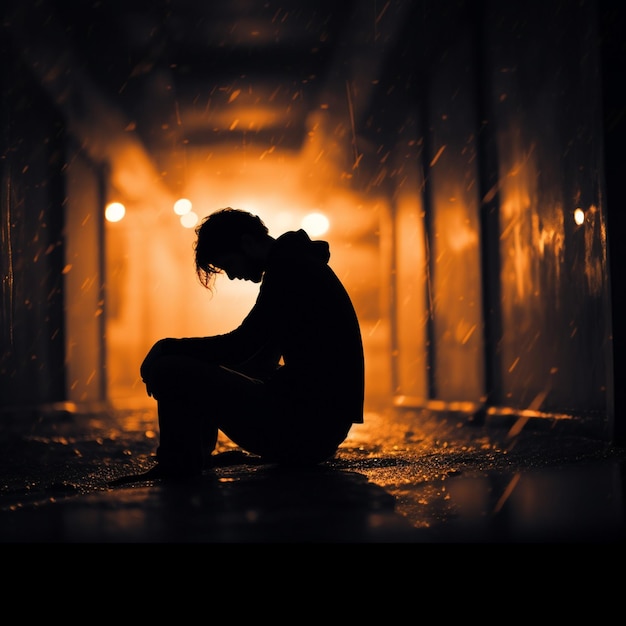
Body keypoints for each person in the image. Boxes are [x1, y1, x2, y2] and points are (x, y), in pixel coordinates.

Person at [135, 207, 365, 480]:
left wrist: (167, 347)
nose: (233, 276)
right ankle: (192, 458)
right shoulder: (296, 264)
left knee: (170, 368)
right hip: (319, 431)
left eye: (229, 264)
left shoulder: (288, 270)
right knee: (196, 365)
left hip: (305, 433)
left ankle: (179, 465)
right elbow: (259, 358)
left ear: (247, 243)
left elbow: (241, 346)